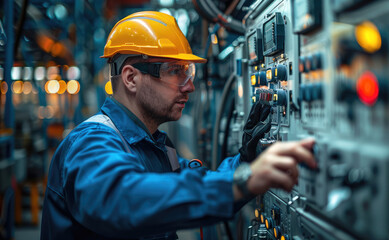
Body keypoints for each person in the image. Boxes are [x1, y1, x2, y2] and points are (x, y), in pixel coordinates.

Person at [40, 11, 317, 240]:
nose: (190, 86)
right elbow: (125, 199)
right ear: (131, 78)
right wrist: (243, 181)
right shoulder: (90, 143)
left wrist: (246, 161)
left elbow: (197, 182)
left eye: (188, 72)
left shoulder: (154, 146)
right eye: (175, 72)